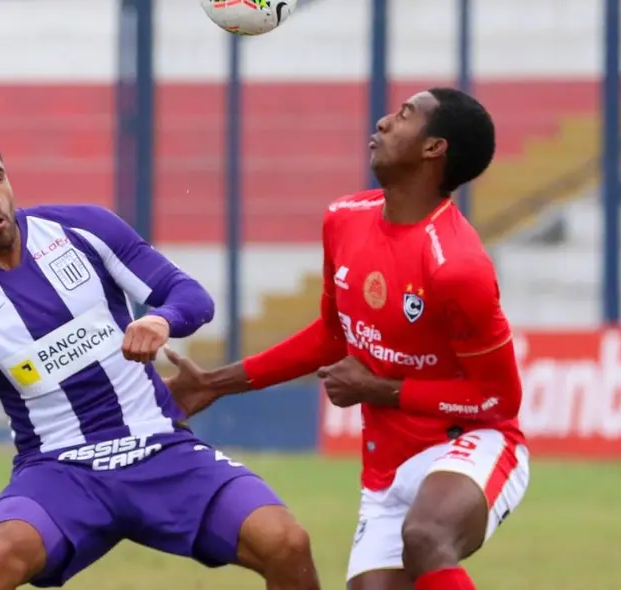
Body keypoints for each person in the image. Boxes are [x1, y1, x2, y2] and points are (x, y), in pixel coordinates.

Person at [0, 130, 320, 590]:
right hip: (58, 469)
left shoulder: (83, 230)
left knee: (287, 543)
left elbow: (190, 296)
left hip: (159, 448)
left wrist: (161, 320)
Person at [164, 87, 530, 590]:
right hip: (386, 467)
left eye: (404, 115)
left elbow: (499, 399)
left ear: (434, 148)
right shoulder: (344, 218)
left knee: (427, 537)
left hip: (468, 442)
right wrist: (215, 383)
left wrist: (381, 390)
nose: (383, 121)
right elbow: (333, 336)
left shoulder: (457, 266)